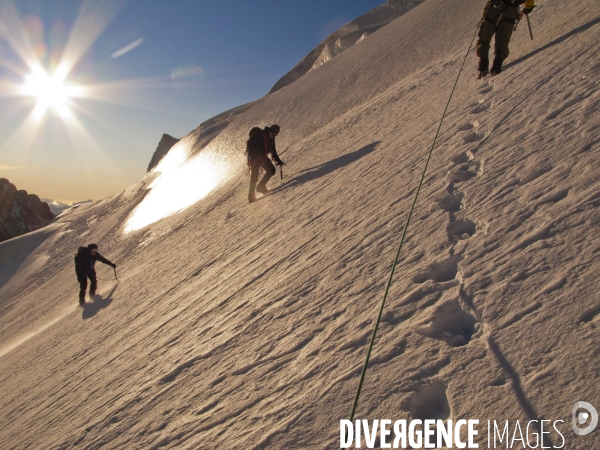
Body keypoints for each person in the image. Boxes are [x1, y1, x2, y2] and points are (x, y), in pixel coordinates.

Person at [476, 0, 535, 78]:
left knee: (485, 36)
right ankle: (496, 66)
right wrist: (528, 7)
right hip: (512, 11)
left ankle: (483, 68)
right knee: (503, 39)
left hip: (496, 7)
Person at [246, 124, 285, 203]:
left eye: (275, 135)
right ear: (270, 131)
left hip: (262, 158)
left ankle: (261, 186)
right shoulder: (260, 134)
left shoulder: (271, 139)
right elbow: (249, 143)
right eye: (273, 134)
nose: (274, 136)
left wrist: (278, 161)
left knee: (271, 170)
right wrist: (254, 157)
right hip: (255, 159)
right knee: (254, 176)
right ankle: (251, 196)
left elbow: (273, 151)